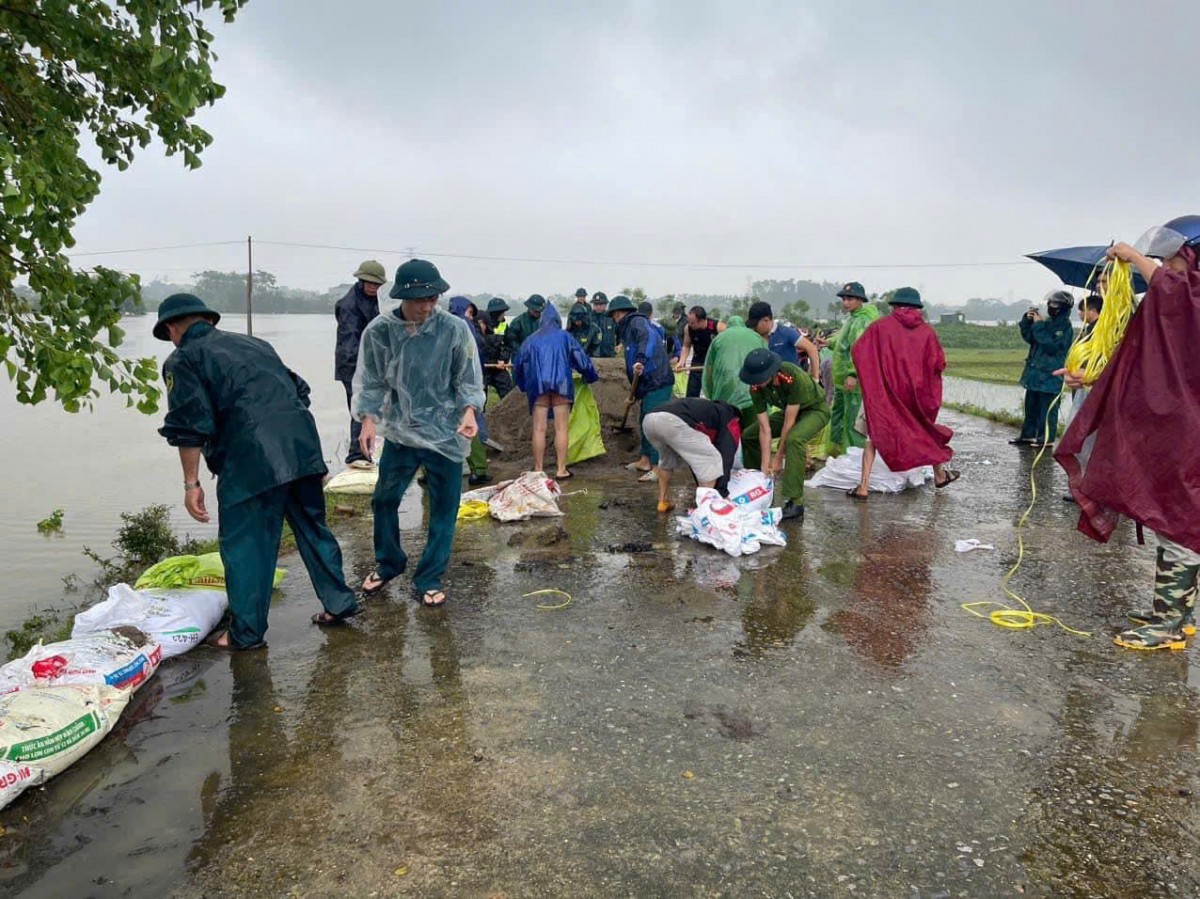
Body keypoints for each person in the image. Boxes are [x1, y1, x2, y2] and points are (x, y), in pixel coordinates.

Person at [155, 293, 359, 649]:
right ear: (209, 320)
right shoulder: (257, 345)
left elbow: (189, 426)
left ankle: (245, 634)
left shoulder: (182, 359)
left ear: (172, 328)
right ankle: (340, 604)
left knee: (245, 546)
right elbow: (300, 391)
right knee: (313, 529)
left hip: (250, 462)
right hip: (302, 450)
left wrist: (192, 484)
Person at [1055, 215, 1200, 650]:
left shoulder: (1189, 300)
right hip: (1176, 431)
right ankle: (1176, 613)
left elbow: (1180, 297)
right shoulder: (1175, 310)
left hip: (1189, 435)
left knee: (1180, 519)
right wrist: (1093, 376)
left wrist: (1135, 257)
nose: (1166, 268)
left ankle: (1168, 625)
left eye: (1173, 259)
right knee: (1171, 518)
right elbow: (1150, 363)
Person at [353, 259, 485, 609]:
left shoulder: (454, 329)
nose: (427, 306)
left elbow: (467, 378)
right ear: (401, 298)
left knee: (444, 509)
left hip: (446, 433)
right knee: (384, 499)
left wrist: (470, 411)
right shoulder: (380, 332)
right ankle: (389, 562)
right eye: (420, 300)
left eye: (433, 298)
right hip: (401, 433)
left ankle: (429, 576)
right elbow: (371, 381)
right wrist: (368, 420)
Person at [846, 287, 959, 499]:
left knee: (874, 436)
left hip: (883, 394)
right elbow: (938, 362)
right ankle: (940, 475)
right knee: (924, 431)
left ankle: (863, 487)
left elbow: (859, 351)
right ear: (918, 308)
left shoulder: (880, 327)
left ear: (895, 306)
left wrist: (873, 375)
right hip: (915, 395)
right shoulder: (927, 332)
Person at [739, 348, 830, 522]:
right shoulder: (756, 387)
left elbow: (789, 422)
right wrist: (766, 464)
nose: (756, 382)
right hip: (789, 411)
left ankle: (795, 502)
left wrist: (779, 457)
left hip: (814, 409)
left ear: (771, 372)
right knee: (749, 435)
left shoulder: (791, 375)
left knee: (794, 440)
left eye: (760, 378)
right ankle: (758, 482)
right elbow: (764, 428)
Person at [512, 304, 599, 479]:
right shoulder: (566, 337)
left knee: (539, 429)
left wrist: (523, 386)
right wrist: (590, 376)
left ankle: (538, 469)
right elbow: (582, 360)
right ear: (558, 321)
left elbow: (517, 366)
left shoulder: (530, 340)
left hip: (537, 387)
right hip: (562, 385)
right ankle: (561, 470)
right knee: (561, 428)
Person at [608, 295, 675, 477]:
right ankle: (645, 461)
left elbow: (648, 340)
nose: (614, 319)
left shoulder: (637, 322)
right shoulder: (627, 330)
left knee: (654, 424)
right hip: (646, 383)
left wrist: (640, 360)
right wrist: (634, 393)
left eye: (613, 315)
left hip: (657, 379)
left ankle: (657, 467)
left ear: (619, 313)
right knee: (645, 421)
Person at [642, 398, 743, 513]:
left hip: (650, 420)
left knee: (667, 461)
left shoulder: (709, 410)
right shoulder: (731, 419)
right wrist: (723, 493)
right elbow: (726, 455)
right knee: (709, 461)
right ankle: (706, 511)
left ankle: (663, 501)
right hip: (672, 422)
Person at [334, 260, 385, 467]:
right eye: (368, 283)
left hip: (373, 364)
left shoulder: (380, 301)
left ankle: (371, 448)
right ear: (360, 281)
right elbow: (349, 341)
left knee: (377, 408)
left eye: (376, 284)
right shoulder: (350, 305)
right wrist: (361, 372)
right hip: (352, 365)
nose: (372, 287)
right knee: (360, 409)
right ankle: (357, 455)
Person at [1011, 289, 1074, 447]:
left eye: (1053, 304)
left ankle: (1046, 439)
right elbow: (1031, 338)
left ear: (1062, 307)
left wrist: (1038, 325)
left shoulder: (1064, 328)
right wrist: (1027, 320)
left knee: (1047, 410)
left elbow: (1050, 346)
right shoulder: (1047, 323)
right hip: (1035, 373)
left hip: (1050, 375)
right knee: (1031, 406)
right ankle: (1028, 435)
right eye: (1049, 304)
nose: (1050, 307)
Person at [828, 282, 880, 452]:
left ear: (860, 300)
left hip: (854, 381)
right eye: (844, 299)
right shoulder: (852, 318)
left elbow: (860, 350)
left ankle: (854, 456)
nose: (845, 302)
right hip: (841, 380)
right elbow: (842, 341)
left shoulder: (863, 320)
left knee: (852, 420)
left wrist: (853, 374)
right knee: (838, 414)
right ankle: (836, 450)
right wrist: (828, 342)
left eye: (849, 299)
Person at [449, 296, 492, 486]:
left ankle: (430, 470)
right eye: (470, 312)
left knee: (438, 426)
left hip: (442, 387)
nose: (471, 316)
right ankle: (479, 470)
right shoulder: (466, 327)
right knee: (471, 424)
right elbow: (476, 354)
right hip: (464, 384)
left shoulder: (440, 325)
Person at [701, 314, 766, 432]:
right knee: (753, 432)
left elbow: (709, 369)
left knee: (729, 433)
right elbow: (767, 363)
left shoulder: (718, 339)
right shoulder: (756, 337)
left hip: (725, 393)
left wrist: (711, 394)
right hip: (752, 393)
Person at [746, 301, 821, 378]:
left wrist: (815, 378)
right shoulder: (754, 337)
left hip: (792, 382)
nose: (753, 328)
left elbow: (811, 349)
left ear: (766, 320)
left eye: (755, 324)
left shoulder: (786, 333)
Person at [677, 306, 727, 397]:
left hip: (715, 363)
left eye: (692, 323)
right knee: (692, 392)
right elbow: (686, 346)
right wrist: (682, 360)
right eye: (689, 322)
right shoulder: (688, 328)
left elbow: (729, 346)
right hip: (698, 361)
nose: (690, 325)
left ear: (702, 321)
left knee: (717, 393)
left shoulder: (719, 327)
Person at [589, 292, 617, 358]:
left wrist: (619, 344)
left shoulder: (612, 317)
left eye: (601, 304)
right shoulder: (588, 319)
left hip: (609, 354)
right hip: (592, 355)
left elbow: (620, 332)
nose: (598, 306)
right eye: (596, 304)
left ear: (605, 304)